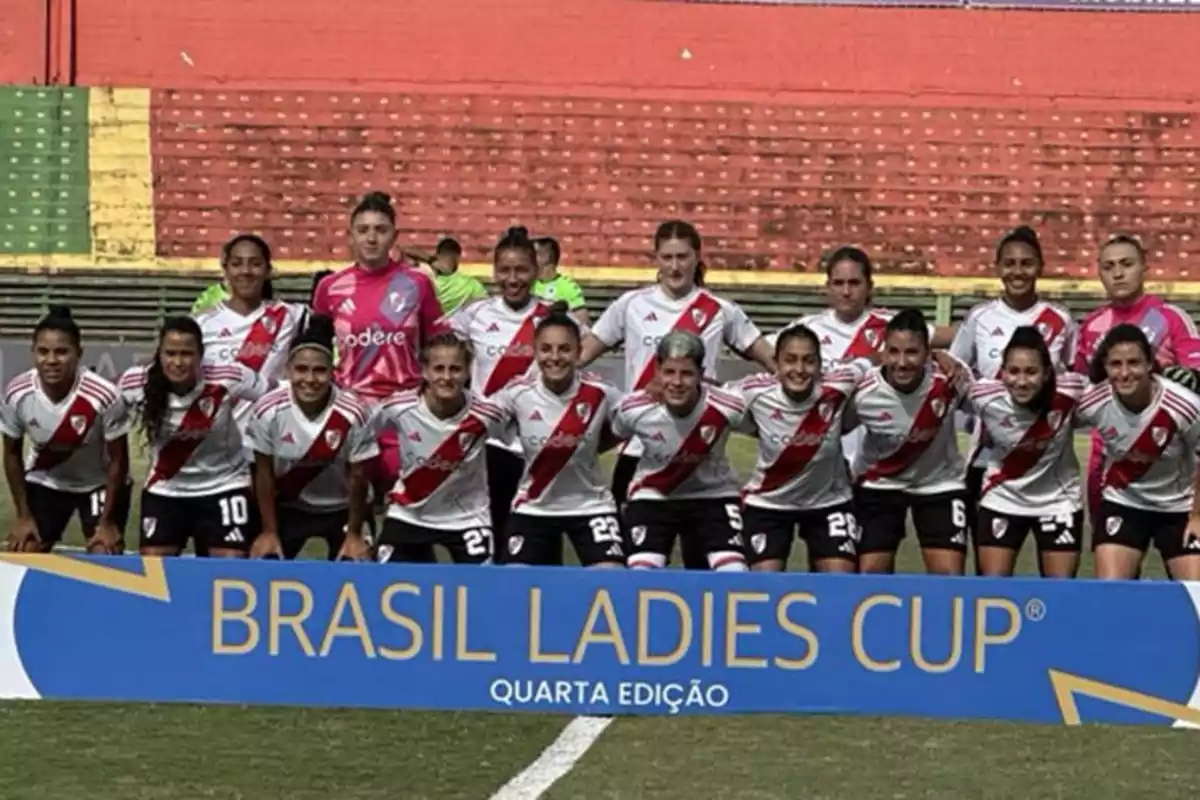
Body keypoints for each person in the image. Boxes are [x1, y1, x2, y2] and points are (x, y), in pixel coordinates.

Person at [580, 220, 773, 569]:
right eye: (666, 256)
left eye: (682, 256)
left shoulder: (720, 310)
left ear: (696, 257)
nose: (674, 266)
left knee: (702, 566)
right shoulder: (631, 305)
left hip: (701, 448)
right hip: (641, 449)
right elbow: (582, 355)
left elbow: (771, 359)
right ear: (655, 258)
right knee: (638, 565)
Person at [949, 226, 1078, 556]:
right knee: (988, 571)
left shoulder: (1060, 318)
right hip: (990, 458)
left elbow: (1072, 376)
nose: (1018, 271)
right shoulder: (980, 317)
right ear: (997, 267)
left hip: (1047, 457)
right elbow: (956, 371)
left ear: (1040, 267)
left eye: (1026, 263)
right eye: (1010, 263)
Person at [310, 191, 445, 494]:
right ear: (351, 236)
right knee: (355, 506)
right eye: (364, 230)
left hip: (406, 409)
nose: (372, 238)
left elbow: (438, 345)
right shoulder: (330, 288)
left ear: (395, 236)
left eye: (381, 230)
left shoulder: (417, 284)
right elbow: (314, 351)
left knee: (404, 505)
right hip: (353, 409)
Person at [774, 246, 954, 467]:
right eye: (839, 283)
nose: (846, 291)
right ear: (827, 287)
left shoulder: (890, 325)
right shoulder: (805, 329)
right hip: (821, 449)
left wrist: (937, 355)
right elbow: (762, 350)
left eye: (854, 283)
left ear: (869, 287)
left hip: (874, 452)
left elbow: (951, 336)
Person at [118, 317, 269, 558]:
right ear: (160, 354)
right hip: (166, 489)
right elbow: (108, 416)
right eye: (170, 353)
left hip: (224, 485)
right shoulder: (136, 383)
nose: (178, 362)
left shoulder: (228, 377)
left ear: (201, 355)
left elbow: (274, 394)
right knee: (155, 570)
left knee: (229, 569)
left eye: (186, 354)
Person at [1075, 233, 1200, 522]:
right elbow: (1082, 386)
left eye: (1126, 264)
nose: (1118, 273)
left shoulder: (1171, 318)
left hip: (1169, 459)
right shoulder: (1092, 325)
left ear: (1144, 267)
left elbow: (1195, 377)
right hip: (1108, 459)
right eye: (1108, 267)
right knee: (1109, 553)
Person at [444, 226, 556, 544]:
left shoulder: (552, 318)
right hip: (489, 445)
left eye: (521, 269)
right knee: (491, 534)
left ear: (536, 270)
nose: (513, 278)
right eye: (505, 270)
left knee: (537, 540)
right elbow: (441, 349)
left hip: (539, 443)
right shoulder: (475, 314)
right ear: (494, 272)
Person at [490, 311, 625, 567]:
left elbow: (627, 424)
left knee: (612, 576)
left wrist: (592, 446)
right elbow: (478, 421)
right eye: (546, 349)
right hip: (533, 507)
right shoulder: (516, 393)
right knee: (515, 581)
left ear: (578, 352)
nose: (554, 357)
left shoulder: (602, 391)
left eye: (564, 349)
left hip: (591, 506)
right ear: (535, 352)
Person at [732, 325, 866, 573]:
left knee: (841, 584)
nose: (799, 370)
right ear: (776, 363)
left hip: (829, 501)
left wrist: (938, 355)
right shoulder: (753, 391)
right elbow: (705, 400)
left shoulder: (840, 384)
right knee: (765, 586)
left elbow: (874, 362)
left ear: (820, 364)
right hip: (768, 502)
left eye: (808, 361)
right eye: (790, 360)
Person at [245, 315, 379, 561]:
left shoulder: (354, 413)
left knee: (359, 568)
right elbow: (263, 474)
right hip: (290, 507)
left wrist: (354, 534)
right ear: (288, 370)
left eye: (319, 371)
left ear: (332, 372)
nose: (309, 380)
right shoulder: (268, 410)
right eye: (301, 369)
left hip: (343, 509)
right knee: (265, 564)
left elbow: (358, 478)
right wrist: (268, 531)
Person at [611, 331, 748, 571]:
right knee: (641, 573)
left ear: (701, 375)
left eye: (686, 374)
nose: (676, 382)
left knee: (733, 572)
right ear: (657, 371)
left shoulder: (728, 407)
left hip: (713, 495)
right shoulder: (633, 410)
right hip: (653, 495)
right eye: (669, 372)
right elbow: (612, 434)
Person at [850, 308, 970, 576]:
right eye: (894, 352)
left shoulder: (951, 380)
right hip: (880, 483)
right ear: (883, 352)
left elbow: (992, 406)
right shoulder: (863, 391)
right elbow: (831, 426)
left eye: (912, 352)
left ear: (928, 353)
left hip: (939, 483)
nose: (902, 362)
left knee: (949, 579)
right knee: (870, 575)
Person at [1, 307, 131, 554]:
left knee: (104, 552)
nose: (51, 360)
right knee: (24, 549)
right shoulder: (17, 393)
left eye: (61, 352)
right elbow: (11, 454)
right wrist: (23, 516)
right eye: (43, 352)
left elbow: (119, 460)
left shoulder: (104, 396)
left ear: (78, 354)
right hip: (48, 480)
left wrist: (107, 522)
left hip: (98, 483)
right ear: (33, 353)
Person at [1077, 324, 1200, 580]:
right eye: (1115, 364)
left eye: (1133, 363)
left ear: (1149, 364)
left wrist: (1198, 517)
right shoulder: (1092, 403)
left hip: (1180, 507)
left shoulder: (1184, 405)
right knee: (1111, 592)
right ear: (1106, 367)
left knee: (1196, 596)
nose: (1124, 373)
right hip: (1125, 502)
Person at [373, 332, 506, 564]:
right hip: (409, 514)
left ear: (467, 371)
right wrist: (375, 485)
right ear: (424, 371)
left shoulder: (488, 414)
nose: (447, 377)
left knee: (481, 589)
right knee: (388, 582)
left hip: (467, 518)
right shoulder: (398, 407)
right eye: (439, 369)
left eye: (455, 369)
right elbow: (362, 439)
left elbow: (517, 443)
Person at [965, 326, 1086, 578]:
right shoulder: (982, 395)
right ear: (1003, 372)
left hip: (1058, 501)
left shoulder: (1072, 390)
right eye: (1013, 371)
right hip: (1002, 498)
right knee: (993, 590)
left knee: (1060, 593)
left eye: (1031, 372)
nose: (1021, 381)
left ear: (1046, 374)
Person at [195, 234, 306, 429]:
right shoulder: (202, 323)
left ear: (268, 270)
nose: (246, 271)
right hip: (217, 441)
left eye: (255, 264)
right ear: (226, 270)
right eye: (237, 264)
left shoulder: (291, 316)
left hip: (271, 437)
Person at [533, 236, 588, 324]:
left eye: (533, 254)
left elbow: (583, 323)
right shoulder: (527, 284)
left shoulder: (568, 287)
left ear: (546, 257)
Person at [427, 237, 488, 314]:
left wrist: (429, 260)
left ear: (437, 255)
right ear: (458, 257)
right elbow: (485, 309)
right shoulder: (472, 284)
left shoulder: (427, 282)